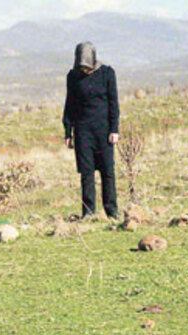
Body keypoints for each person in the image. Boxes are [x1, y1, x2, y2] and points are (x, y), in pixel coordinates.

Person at [63, 41, 120, 219]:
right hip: (82, 130)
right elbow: (69, 104)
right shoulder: (72, 77)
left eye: (87, 67)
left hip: (103, 130)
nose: (84, 70)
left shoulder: (107, 73)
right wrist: (68, 131)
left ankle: (111, 210)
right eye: (81, 67)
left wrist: (114, 129)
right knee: (86, 172)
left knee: (107, 171)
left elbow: (113, 103)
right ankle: (88, 212)